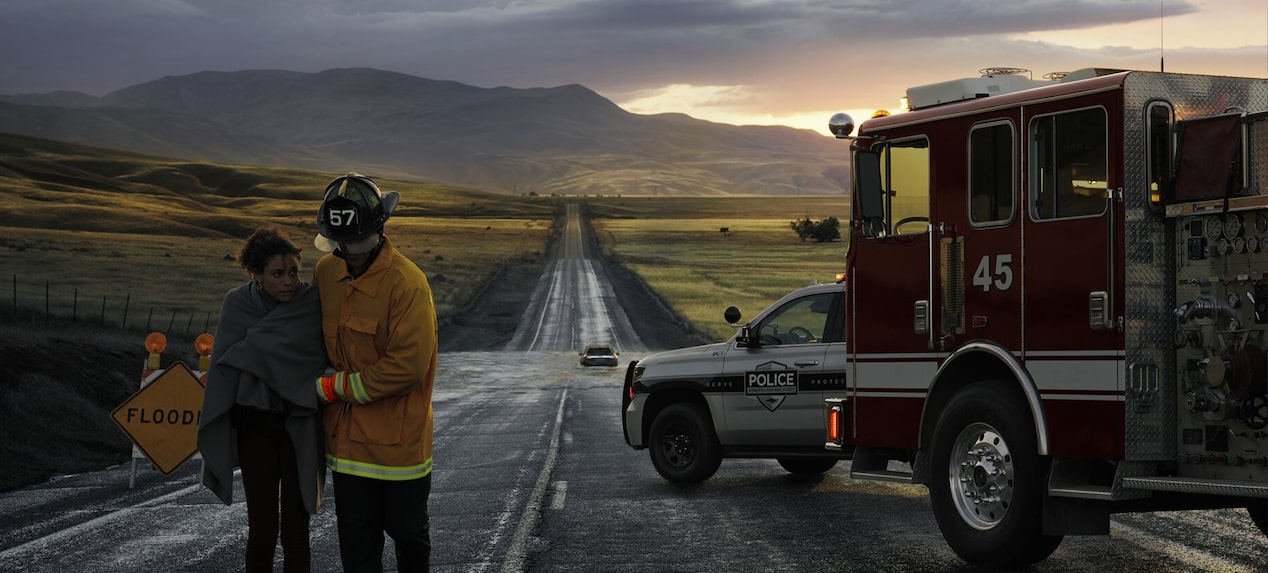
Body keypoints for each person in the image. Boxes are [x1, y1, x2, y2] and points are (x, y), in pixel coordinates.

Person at [311, 173, 438, 572]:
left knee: (408, 538)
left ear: (379, 229)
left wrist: (336, 387)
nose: (349, 253)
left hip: (399, 449)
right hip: (346, 451)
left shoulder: (406, 283)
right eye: (342, 245)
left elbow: (408, 366)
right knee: (357, 548)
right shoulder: (324, 274)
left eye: (356, 245)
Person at [197, 225, 329, 573]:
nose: (288, 281)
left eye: (293, 272)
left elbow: (316, 358)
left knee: (297, 532)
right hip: (255, 428)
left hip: (298, 425)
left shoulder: (311, 303)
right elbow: (226, 366)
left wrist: (253, 352)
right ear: (256, 274)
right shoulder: (237, 304)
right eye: (277, 274)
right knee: (263, 531)